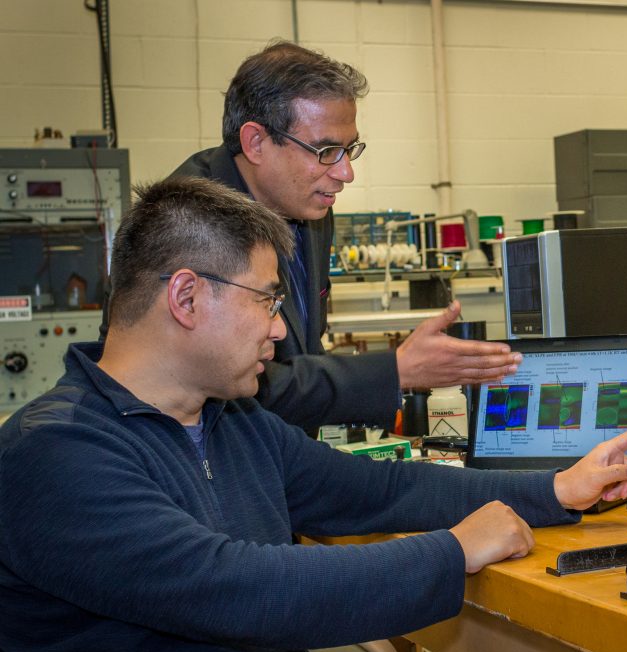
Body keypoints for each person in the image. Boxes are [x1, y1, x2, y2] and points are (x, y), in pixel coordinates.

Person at [0, 176, 627, 652]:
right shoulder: (55, 455)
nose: (280, 327)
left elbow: (383, 491)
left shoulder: (230, 422)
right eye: (266, 299)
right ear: (187, 296)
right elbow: (240, 592)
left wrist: (553, 490)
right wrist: (454, 551)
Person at [170, 39, 519, 434]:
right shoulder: (189, 223)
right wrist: (394, 370)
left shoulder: (310, 206)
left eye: (349, 149)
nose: (345, 173)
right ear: (255, 142)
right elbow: (240, 391)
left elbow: (305, 350)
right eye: (325, 151)